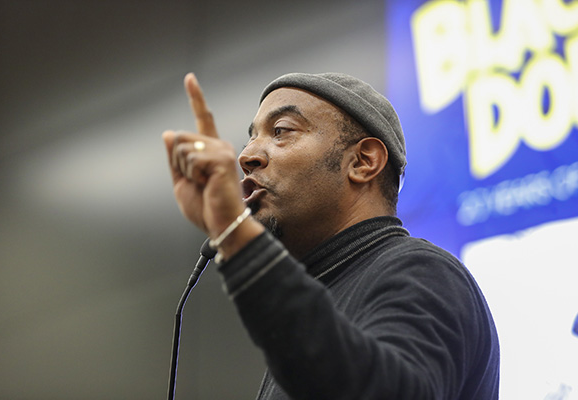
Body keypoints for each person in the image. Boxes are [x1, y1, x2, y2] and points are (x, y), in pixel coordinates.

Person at [162, 72, 500, 399]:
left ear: (363, 161)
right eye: (252, 137)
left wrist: (236, 237)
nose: (246, 156)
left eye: (281, 131)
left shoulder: (422, 272)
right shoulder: (318, 305)